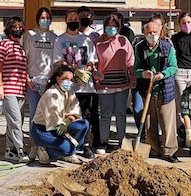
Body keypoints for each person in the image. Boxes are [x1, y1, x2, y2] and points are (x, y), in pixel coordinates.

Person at [53, 9, 98, 158]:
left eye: (75, 18)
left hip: (86, 87)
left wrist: (87, 71)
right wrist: (74, 70)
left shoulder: (87, 40)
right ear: (65, 20)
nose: (73, 21)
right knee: (68, 116)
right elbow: (58, 62)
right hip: (68, 87)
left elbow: (92, 60)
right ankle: (67, 145)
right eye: (70, 18)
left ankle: (86, 145)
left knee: (86, 116)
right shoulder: (60, 40)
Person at [134, 21, 179, 162]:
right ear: (144, 33)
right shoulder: (139, 48)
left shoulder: (167, 47)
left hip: (165, 89)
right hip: (147, 90)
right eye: (148, 32)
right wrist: (143, 73)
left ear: (160, 32)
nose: (152, 35)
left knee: (167, 122)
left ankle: (169, 152)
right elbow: (136, 69)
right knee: (149, 122)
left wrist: (163, 74)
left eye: (154, 32)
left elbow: (173, 67)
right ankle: (153, 149)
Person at [30, 64, 89, 164]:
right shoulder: (51, 94)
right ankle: (46, 151)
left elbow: (75, 109)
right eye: (65, 79)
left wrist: (69, 118)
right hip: (43, 130)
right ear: (58, 79)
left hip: (61, 125)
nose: (68, 82)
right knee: (67, 149)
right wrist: (69, 136)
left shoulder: (69, 91)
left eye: (71, 80)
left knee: (84, 124)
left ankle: (67, 151)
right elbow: (54, 123)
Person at [94, 14, 134, 154]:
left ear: (119, 27)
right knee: (105, 115)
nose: (112, 28)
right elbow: (93, 62)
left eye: (114, 26)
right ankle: (103, 141)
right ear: (105, 26)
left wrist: (132, 77)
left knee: (121, 113)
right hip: (105, 84)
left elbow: (130, 61)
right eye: (109, 26)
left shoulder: (124, 41)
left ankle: (120, 140)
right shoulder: (98, 43)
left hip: (122, 83)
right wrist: (95, 74)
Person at [0, 17, 29, 162]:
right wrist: (0, 87)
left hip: (20, 89)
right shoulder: (4, 44)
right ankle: (21, 150)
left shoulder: (20, 47)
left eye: (21, 26)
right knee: (15, 120)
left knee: (15, 122)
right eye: (15, 27)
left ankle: (10, 150)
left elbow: (22, 69)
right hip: (8, 89)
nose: (18, 29)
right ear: (9, 29)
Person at [23, 7, 57, 127]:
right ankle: (34, 141)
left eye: (47, 18)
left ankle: (45, 140)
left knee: (48, 112)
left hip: (49, 80)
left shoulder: (54, 37)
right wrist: (27, 78)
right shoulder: (30, 35)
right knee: (34, 112)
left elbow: (56, 61)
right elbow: (24, 58)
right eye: (42, 18)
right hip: (33, 80)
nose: (45, 20)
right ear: (38, 19)